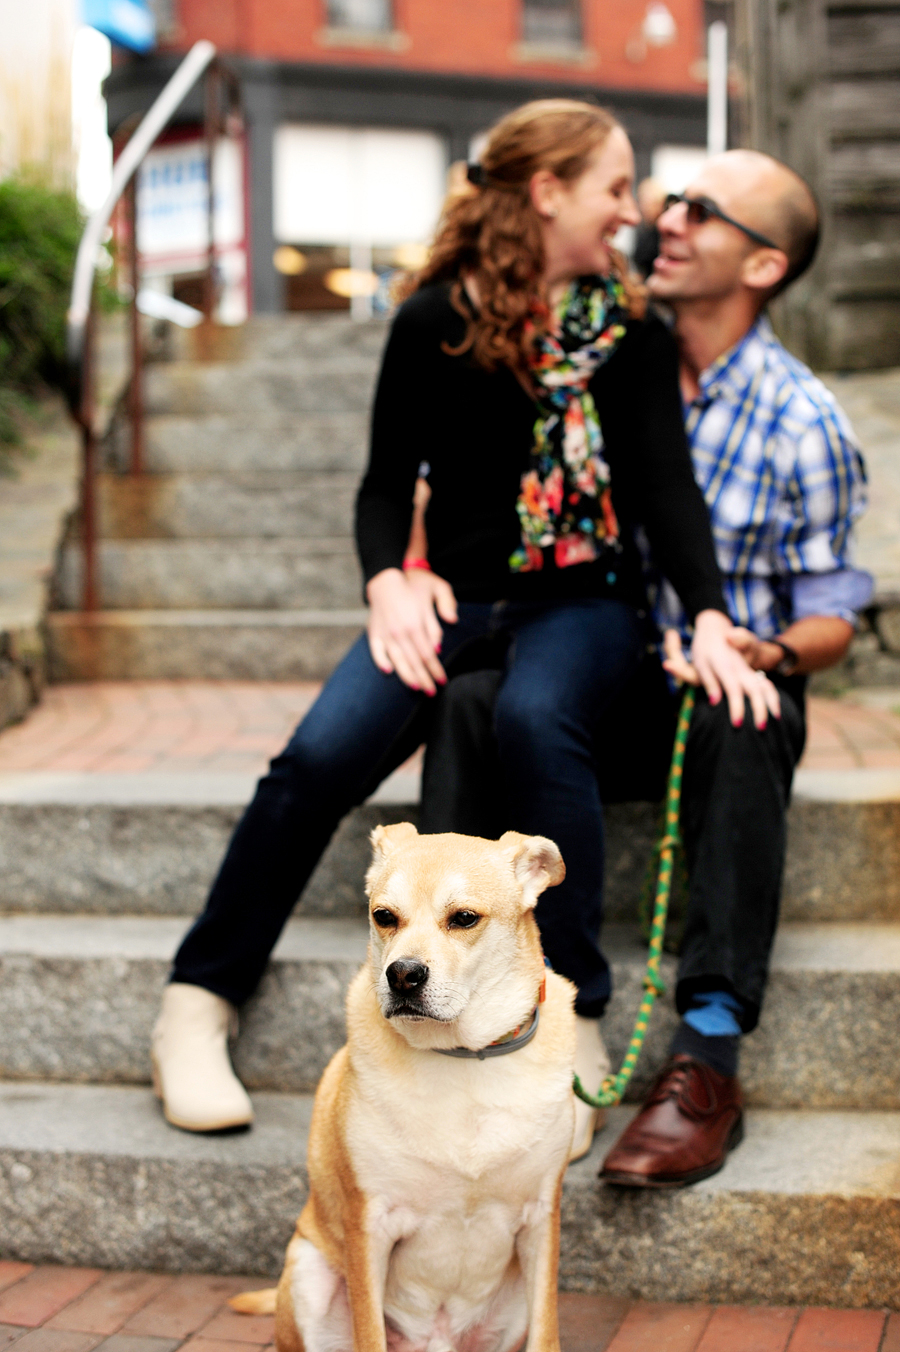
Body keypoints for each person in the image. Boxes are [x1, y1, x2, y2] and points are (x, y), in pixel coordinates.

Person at [150, 101, 771, 1153]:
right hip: (453, 599)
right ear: (548, 191)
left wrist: (709, 613)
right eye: (615, 187)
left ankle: (572, 1008)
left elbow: (668, 489)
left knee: (535, 718)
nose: (634, 210)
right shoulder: (431, 316)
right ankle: (196, 1005)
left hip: (586, 599)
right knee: (315, 757)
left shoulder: (630, 332)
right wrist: (387, 579)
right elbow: (386, 484)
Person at [416, 148, 871, 1186]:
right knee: (478, 701)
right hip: (602, 679)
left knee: (748, 709)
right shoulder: (590, 368)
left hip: (718, 693)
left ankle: (705, 1057)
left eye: (701, 211)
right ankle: (444, 992)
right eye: (667, 198)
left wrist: (766, 647)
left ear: (763, 266)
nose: (665, 218)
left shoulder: (805, 421)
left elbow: (835, 614)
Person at [632, 176, 667, 279]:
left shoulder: (662, 233)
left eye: (647, 202)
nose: (643, 207)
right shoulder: (647, 232)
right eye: (641, 202)